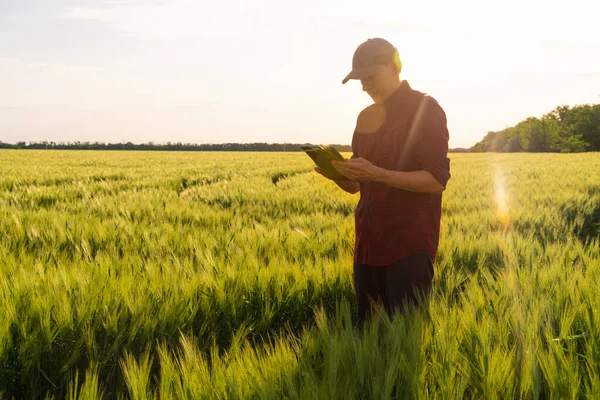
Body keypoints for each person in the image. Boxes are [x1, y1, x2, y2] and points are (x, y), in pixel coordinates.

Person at [315, 37, 451, 326]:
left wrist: (377, 173)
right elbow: (356, 186)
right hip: (367, 246)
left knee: (403, 345)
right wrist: (337, 173)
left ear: (393, 66)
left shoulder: (426, 110)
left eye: (369, 76)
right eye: (359, 81)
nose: (365, 86)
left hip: (408, 248)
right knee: (368, 339)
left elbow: (436, 181)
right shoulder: (365, 117)